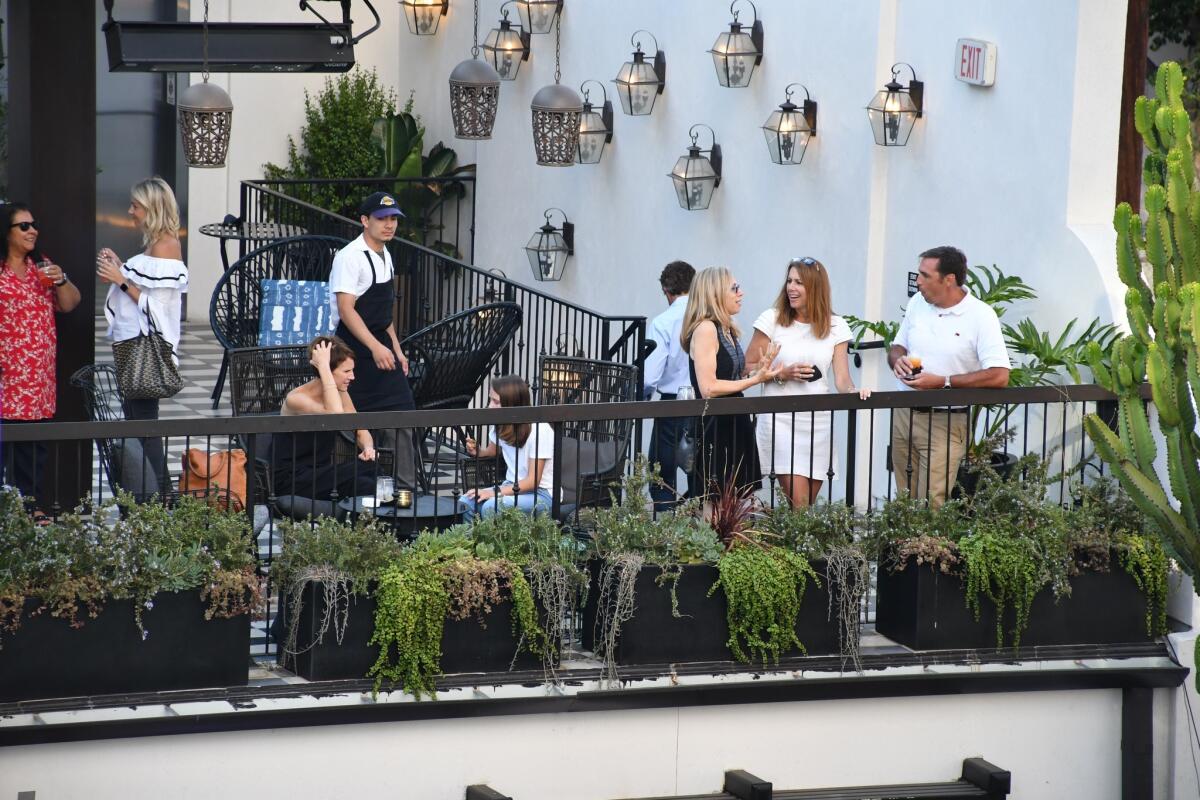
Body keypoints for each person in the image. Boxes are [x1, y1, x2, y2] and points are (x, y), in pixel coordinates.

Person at [889, 245, 1011, 507]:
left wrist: (943, 382)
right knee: (903, 500)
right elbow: (898, 345)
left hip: (946, 420)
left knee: (933, 502)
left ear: (949, 279)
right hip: (903, 413)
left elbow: (1000, 375)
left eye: (924, 275)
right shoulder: (917, 303)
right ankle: (901, 548)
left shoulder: (980, 315)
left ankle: (929, 549)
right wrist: (896, 359)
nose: (917, 281)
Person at [745, 258, 871, 508]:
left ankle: (795, 546)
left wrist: (856, 391)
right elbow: (748, 368)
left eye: (799, 282)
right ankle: (800, 547)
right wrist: (782, 373)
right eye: (789, 281)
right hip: (780, 420)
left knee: (805, 507)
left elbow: (842, 379)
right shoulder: (772, 319)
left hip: (818, 423)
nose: (791, 287)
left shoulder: (836, 326)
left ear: (815, 287)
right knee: (799, 503)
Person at [97, 177, 189, 497]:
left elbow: (158, 308)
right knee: (138, 425)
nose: (130, 211)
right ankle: (150, 496)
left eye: (135, 206)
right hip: (135, 347)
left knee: (144, 428)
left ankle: (161, 499)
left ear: (151, 208)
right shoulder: (155, 245)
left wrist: (120, 280)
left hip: (146, 351)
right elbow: (148, 288)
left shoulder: (166, 245)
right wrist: (121, 268)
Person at [328, 191, 417, 489]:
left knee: (403, 415)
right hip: (351, 351)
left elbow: (383, 314)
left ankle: (405, 491)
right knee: (352, 423)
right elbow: (346, 309)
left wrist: (396, 349)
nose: (389, 225)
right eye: (382, 219)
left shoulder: (386, 255)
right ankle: (358, 490)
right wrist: (376, 347)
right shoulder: (349, 257)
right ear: (365, 221)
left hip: (380, 346)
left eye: (393, 219)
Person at [0, 202, 82, 518]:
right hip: (6, 378)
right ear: (7, 233)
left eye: (34, 224)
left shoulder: (43, 266)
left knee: (33, 451)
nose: (32, 230)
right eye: (24, 226)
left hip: (36, 380)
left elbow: (71, 303)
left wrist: (61, 280)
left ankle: (30, 508)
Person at [682, 266, 782, 498]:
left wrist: (760, 367)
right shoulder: (706, 329)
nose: (741, 293)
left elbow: (731, 377)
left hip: (734, 420)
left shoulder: (727, 329)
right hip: (714, 426)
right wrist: (755, 380)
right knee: (714, 504)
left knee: (737, 502)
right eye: (734, 288)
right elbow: (709, 387)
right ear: (715, 294)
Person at [274, 336, 378, 503]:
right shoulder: (296, 398)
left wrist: (368, 448)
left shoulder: (341, 393)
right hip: (292, 478)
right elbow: (335, 416)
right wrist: (323, 367)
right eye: (346, 371)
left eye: (352, 370)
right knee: (365, 470)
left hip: (322, 474)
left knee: (366, 483)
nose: (352, 377)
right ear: (327, 372)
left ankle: (374, 527)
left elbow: (360, 429)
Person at [460, 375, 553, 520]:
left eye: (496, 402)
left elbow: (532, 481)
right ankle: (471, 542)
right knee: (466, 502)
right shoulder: (500, 424)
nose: (490, 405)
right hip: (510, 486)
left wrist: (494, 492)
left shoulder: (539, 430)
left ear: (513, 404)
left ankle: (490, 543)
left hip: (540, 494)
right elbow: (493, 451)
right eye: (490, 399)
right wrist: (478, 451)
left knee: (491, 506)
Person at [643, 259, 696, 512]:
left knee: (662, 473)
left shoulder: (663, 322)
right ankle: (701, 523)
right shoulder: (707, 318)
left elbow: (650, 375)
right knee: (700, 469)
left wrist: (641, 398)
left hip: (672, 404)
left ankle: (666, 528)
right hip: (704, 401)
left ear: (666, 290)